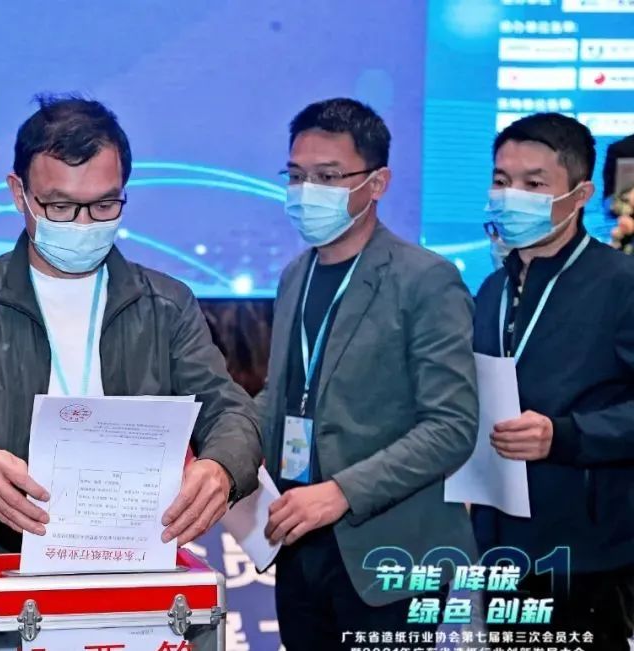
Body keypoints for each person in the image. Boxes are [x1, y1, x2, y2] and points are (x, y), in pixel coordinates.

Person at [0, 94, 263, 650]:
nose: (84, 225)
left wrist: (223, 467)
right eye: (60, 206)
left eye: (104, 205)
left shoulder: (166, 303)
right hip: (2, 570)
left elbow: (230, 408)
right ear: (19, 193)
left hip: (139, 583)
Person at [255, 98, 479, 649]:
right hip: (298, 541)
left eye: (328, 177)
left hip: (390, 552)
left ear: (377, 183)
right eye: (296, 176)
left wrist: (343, 492)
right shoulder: (295, 275)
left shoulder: (425, 279)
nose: (307, 192)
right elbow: (283, 396)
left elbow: (451, 426)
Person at [473, 112, 634, 648]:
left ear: (581, 194)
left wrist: (565, 435)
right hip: (499, 546)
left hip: (587, 553)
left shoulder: (620, 284)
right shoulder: (492, 290)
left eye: (534, 184)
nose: (511, 196)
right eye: (502, 180)